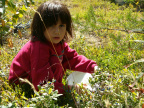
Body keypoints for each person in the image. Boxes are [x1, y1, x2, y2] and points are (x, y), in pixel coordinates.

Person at [8, 1, 98, 95]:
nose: (57, 31)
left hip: (43, 81)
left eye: (61, 26)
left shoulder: (59, 43)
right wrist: (69, 90)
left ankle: (58, 86)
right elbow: (42, 85)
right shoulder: (39, 48)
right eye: (51, 26)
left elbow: (72, 58)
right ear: (40, 26)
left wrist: (93, 67)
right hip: (25, 85)